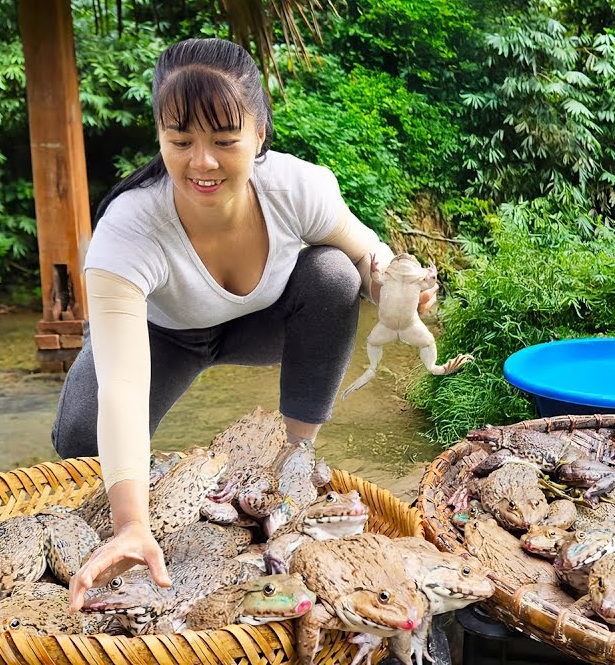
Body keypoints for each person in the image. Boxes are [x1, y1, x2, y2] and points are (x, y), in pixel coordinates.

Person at [50, 38, 434, 611]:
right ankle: (123, 520)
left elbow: (365, 258)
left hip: (259, 324)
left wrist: (399, 292)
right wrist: (132, 521)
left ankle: (296, 454)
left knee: (332, 273)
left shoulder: (297, 188)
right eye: (180, 142)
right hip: (163, 336)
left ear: (259, 135)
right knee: (82, 442)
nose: (201, 162)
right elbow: (125, 384)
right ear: (159, 135)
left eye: (224, 142)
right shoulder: (127, 231)